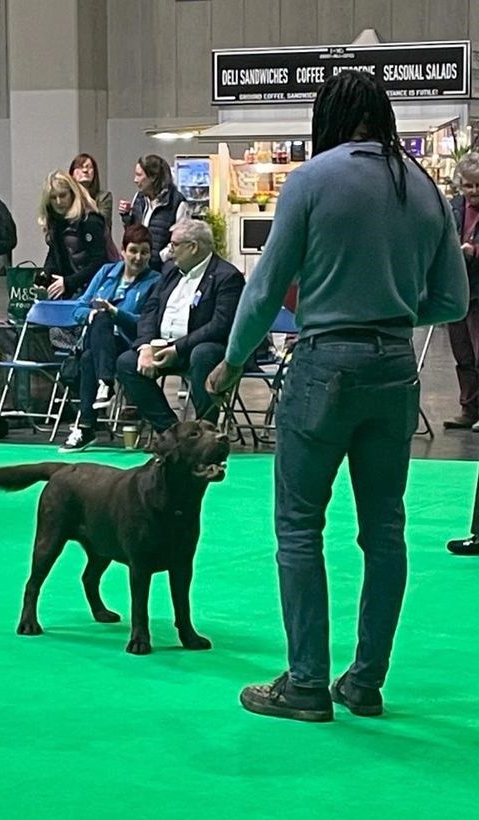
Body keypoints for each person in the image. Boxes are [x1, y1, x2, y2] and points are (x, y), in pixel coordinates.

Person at [206, 70, 468, 722]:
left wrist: (232, 363)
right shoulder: (424, 188)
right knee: (385, 532)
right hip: (393, 370)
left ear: (328, 116)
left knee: (299, 526)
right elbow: (454, 300)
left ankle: (304, 683)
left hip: (324, 366)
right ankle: (365, 682)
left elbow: (264, 290)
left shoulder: (312, 180)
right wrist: (400, 310)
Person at [116, 219, 244, 433]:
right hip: (164, 347)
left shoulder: (227, 276)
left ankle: (206, 431)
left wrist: (177, 348)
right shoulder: (170, 272)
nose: (169, 251)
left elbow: (219, 326)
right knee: (127, 362)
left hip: (207, 350)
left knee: (203, 353)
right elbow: (150, 310)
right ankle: (172, 432)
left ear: (193, 247)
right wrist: (145, 347)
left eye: (174, 245)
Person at [60, 225, 161, 451]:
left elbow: (147, 322)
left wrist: (117, 313)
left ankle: (86, 426)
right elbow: (78, 309)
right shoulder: (106, 272)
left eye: (144, 252)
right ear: (123, 251)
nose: (138, 257)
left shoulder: (156, 281)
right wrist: (92, 313)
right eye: (133, 250)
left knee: (88, 358)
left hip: (128, 343)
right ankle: (104, 382)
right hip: (97, 338)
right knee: (100, 318)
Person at [443, 152, 479, 429]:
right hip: (457, 290)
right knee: (463, 356)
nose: (474, 191)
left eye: (478, 185)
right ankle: (469, 410)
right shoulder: (453, 207)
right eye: (469, 185)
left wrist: (473, 250)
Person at [39, 170, 107, 300]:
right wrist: (45, 275)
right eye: (53, 197)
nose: (58, 202)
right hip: (72, 289)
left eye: (62, 195)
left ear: (72, 193)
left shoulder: (90, 220)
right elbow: (55, 254)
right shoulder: (57, 222)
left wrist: (69, 282)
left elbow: (99, 261)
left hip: (96, 288)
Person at [118, 154, 189, 271]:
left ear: (153, 177)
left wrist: (160, 257)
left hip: (161, 270)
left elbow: (182, 238)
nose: (135, 180)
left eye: (139, 175)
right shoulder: (139, 198)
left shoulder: (177, 203)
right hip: (138, 267)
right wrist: (126, 217)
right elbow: (135, 232)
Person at [69, 153, 113, 230]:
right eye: (80, 167)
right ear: (72, 173)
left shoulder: (104, 197)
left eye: (89, 167)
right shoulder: (67, 197)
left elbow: (104, 223)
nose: (85, 170)